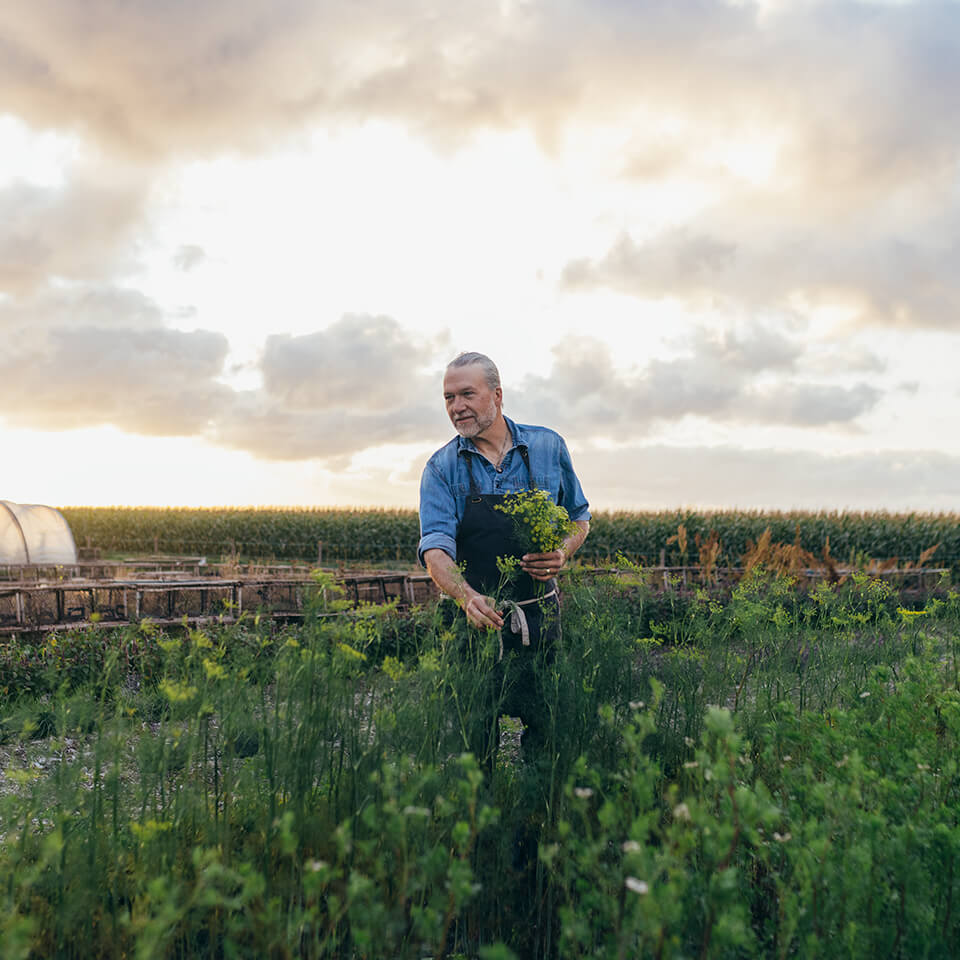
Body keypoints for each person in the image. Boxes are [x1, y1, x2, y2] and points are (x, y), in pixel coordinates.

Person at [418, 351, 590, 763]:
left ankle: (537, 817)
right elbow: (435, 550)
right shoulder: (441, 468)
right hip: (472, 622)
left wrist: (562, 551)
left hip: (538, 616)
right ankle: (479, 822)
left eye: (466, 394)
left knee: (545, 735)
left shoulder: (548, 446)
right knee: (471, 743)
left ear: (497, 395)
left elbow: (579, 517)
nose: (456, 407)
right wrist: (465, 596)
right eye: (447, 398)